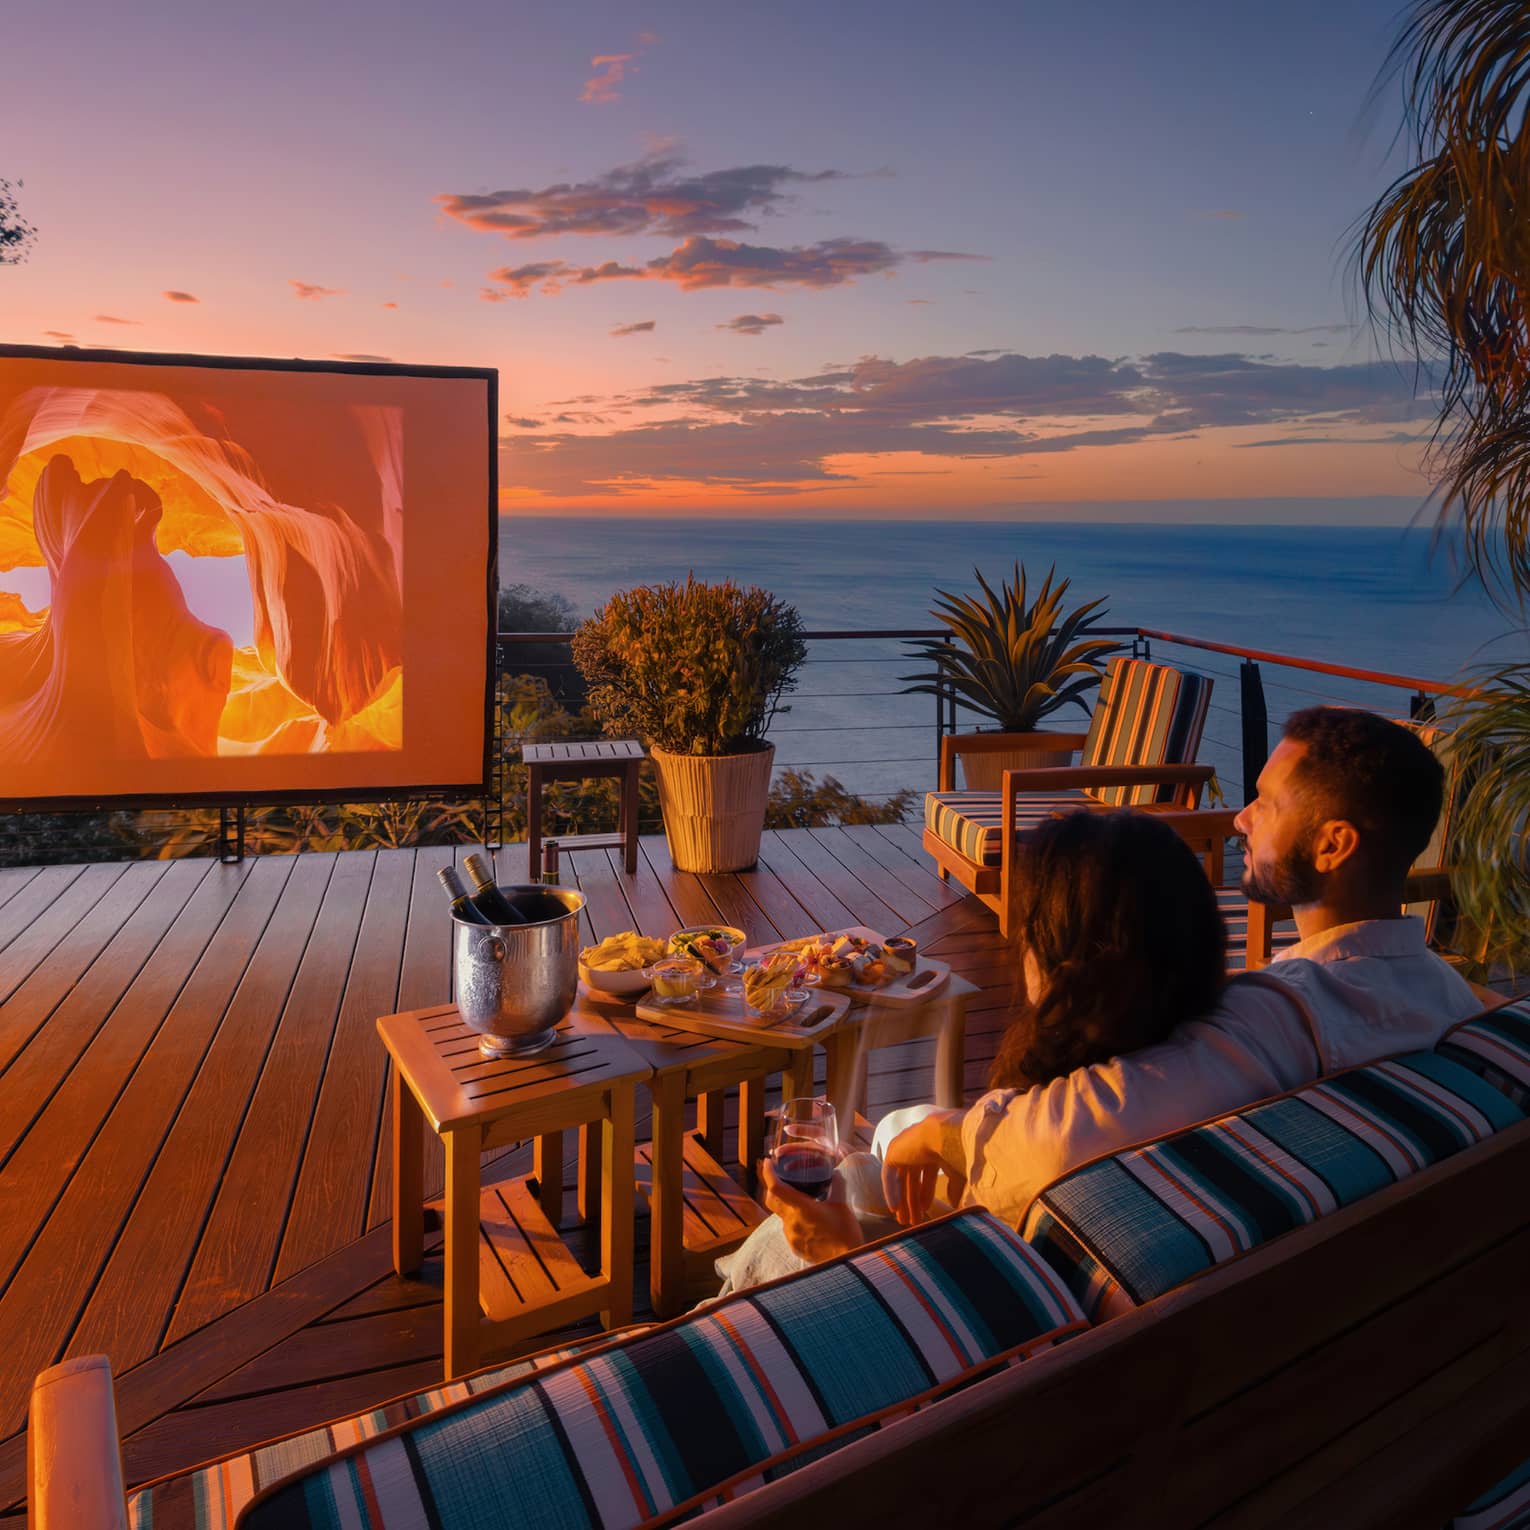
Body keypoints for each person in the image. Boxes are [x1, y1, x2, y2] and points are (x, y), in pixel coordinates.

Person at [742, 707, 1486, 1280]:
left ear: (1333, 844)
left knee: (797, 1224)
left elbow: (1061, 1133)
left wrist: (939, 1133)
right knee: (870, 1162)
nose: (1239, 818)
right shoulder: (1454, 1003)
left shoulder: (1281, 1019)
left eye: (1265, 803)